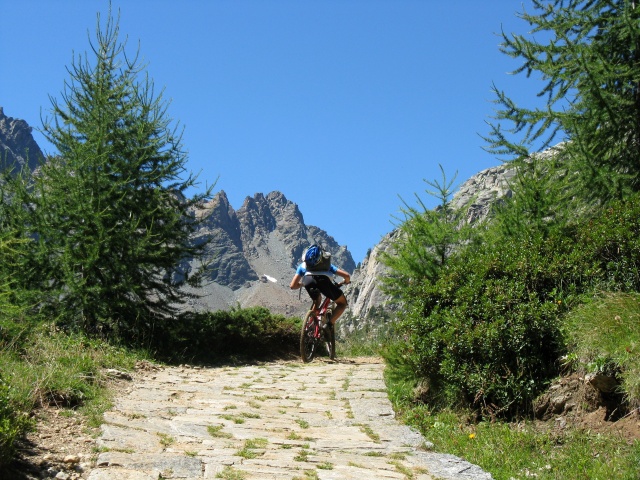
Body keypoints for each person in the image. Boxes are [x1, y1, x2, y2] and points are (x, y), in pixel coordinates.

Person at [289, 244, 351, 328]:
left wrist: (303, 284)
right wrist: (346, 281)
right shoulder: (326, 265)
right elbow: (346, 276)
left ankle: (310, 325)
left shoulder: (302, 266)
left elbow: (293, 286)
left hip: (308, 280)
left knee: (317, 300)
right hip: (323, 281)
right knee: (342, 303)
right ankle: (329, 325)